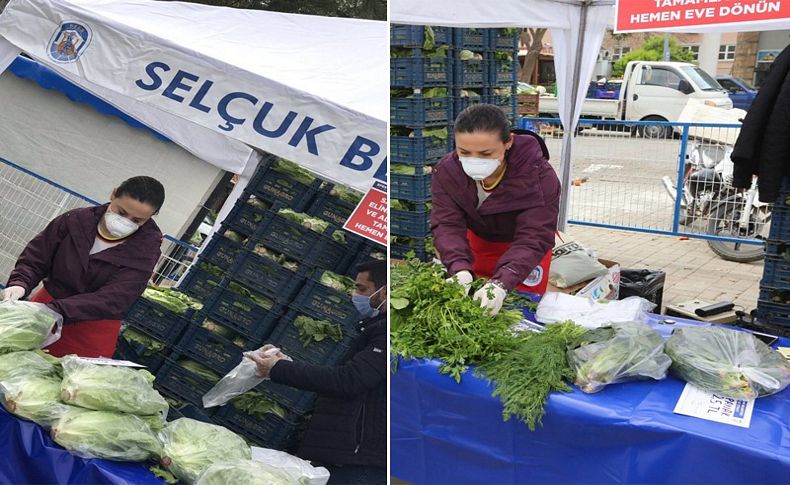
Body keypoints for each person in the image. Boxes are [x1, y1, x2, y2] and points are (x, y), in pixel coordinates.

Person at [251, 260, 386, 485]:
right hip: (342, 453)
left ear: (384, 292)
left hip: (355, 461)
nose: (355, 294)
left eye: (362, 289)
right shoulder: (374, 328)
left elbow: (348, 380)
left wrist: (280, 369)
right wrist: (285, 364)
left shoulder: (385, 332)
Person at [1, 176, 165, 358]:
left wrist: (56, 311)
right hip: (41, 312)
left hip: (91, 330)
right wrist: (20, 283)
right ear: (113, 194)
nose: (125, 221)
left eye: (137, 220)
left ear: (150, 218)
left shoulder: (146, 249)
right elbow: (37, 256)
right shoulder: (76, 220)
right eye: (121, 212)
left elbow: (114, 298)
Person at [431, 103, 560, 316]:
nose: (474, 160)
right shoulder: (447, 171)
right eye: (464, 151)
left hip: (525, 252)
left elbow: (534, 236)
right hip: (477, 246)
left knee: (518, 313)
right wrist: (459, 267)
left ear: (508, 142)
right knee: (469, 309)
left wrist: (502, 282)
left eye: (485, 153)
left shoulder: (539, 177)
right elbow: (446, 223)